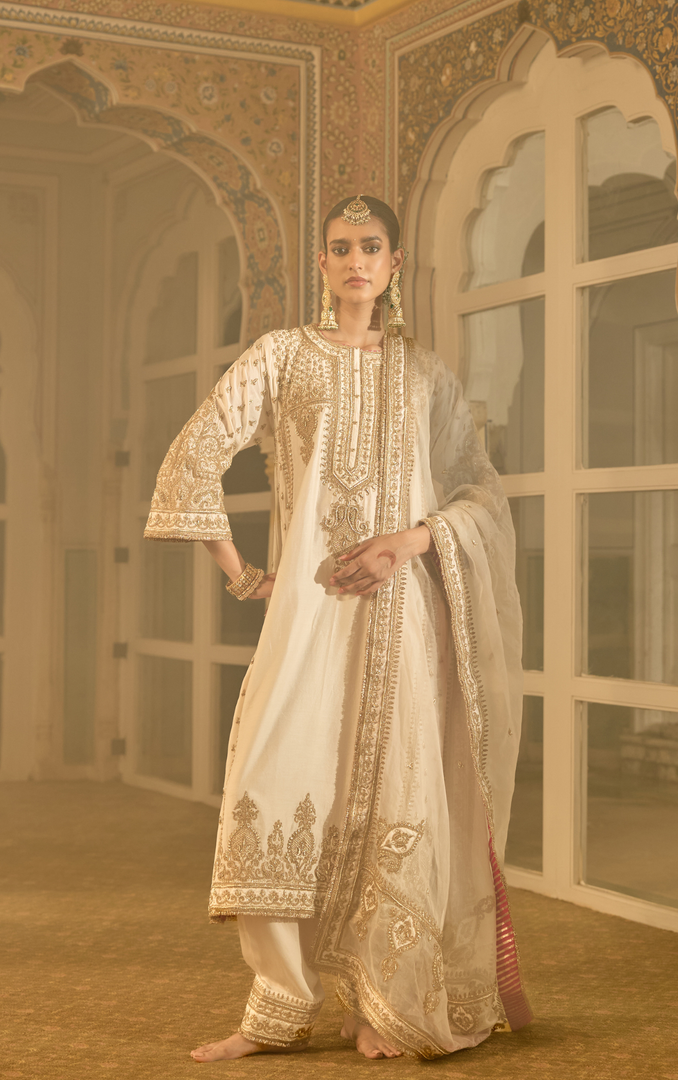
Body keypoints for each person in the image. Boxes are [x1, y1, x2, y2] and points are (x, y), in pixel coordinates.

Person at [144, 194, 532, 1061]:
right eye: (339, 248)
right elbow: (194, 456)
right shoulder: (281, 357)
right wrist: (246, 576)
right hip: (310, 613)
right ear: (321, 265)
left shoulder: (427, 375)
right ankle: (275, 1009)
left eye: (372, 247)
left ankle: (383, 999)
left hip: (406, 612)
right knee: (273, 787)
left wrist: (413, 539)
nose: (356, 260)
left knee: (401, 793)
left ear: (395, 266)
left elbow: (479, 491)